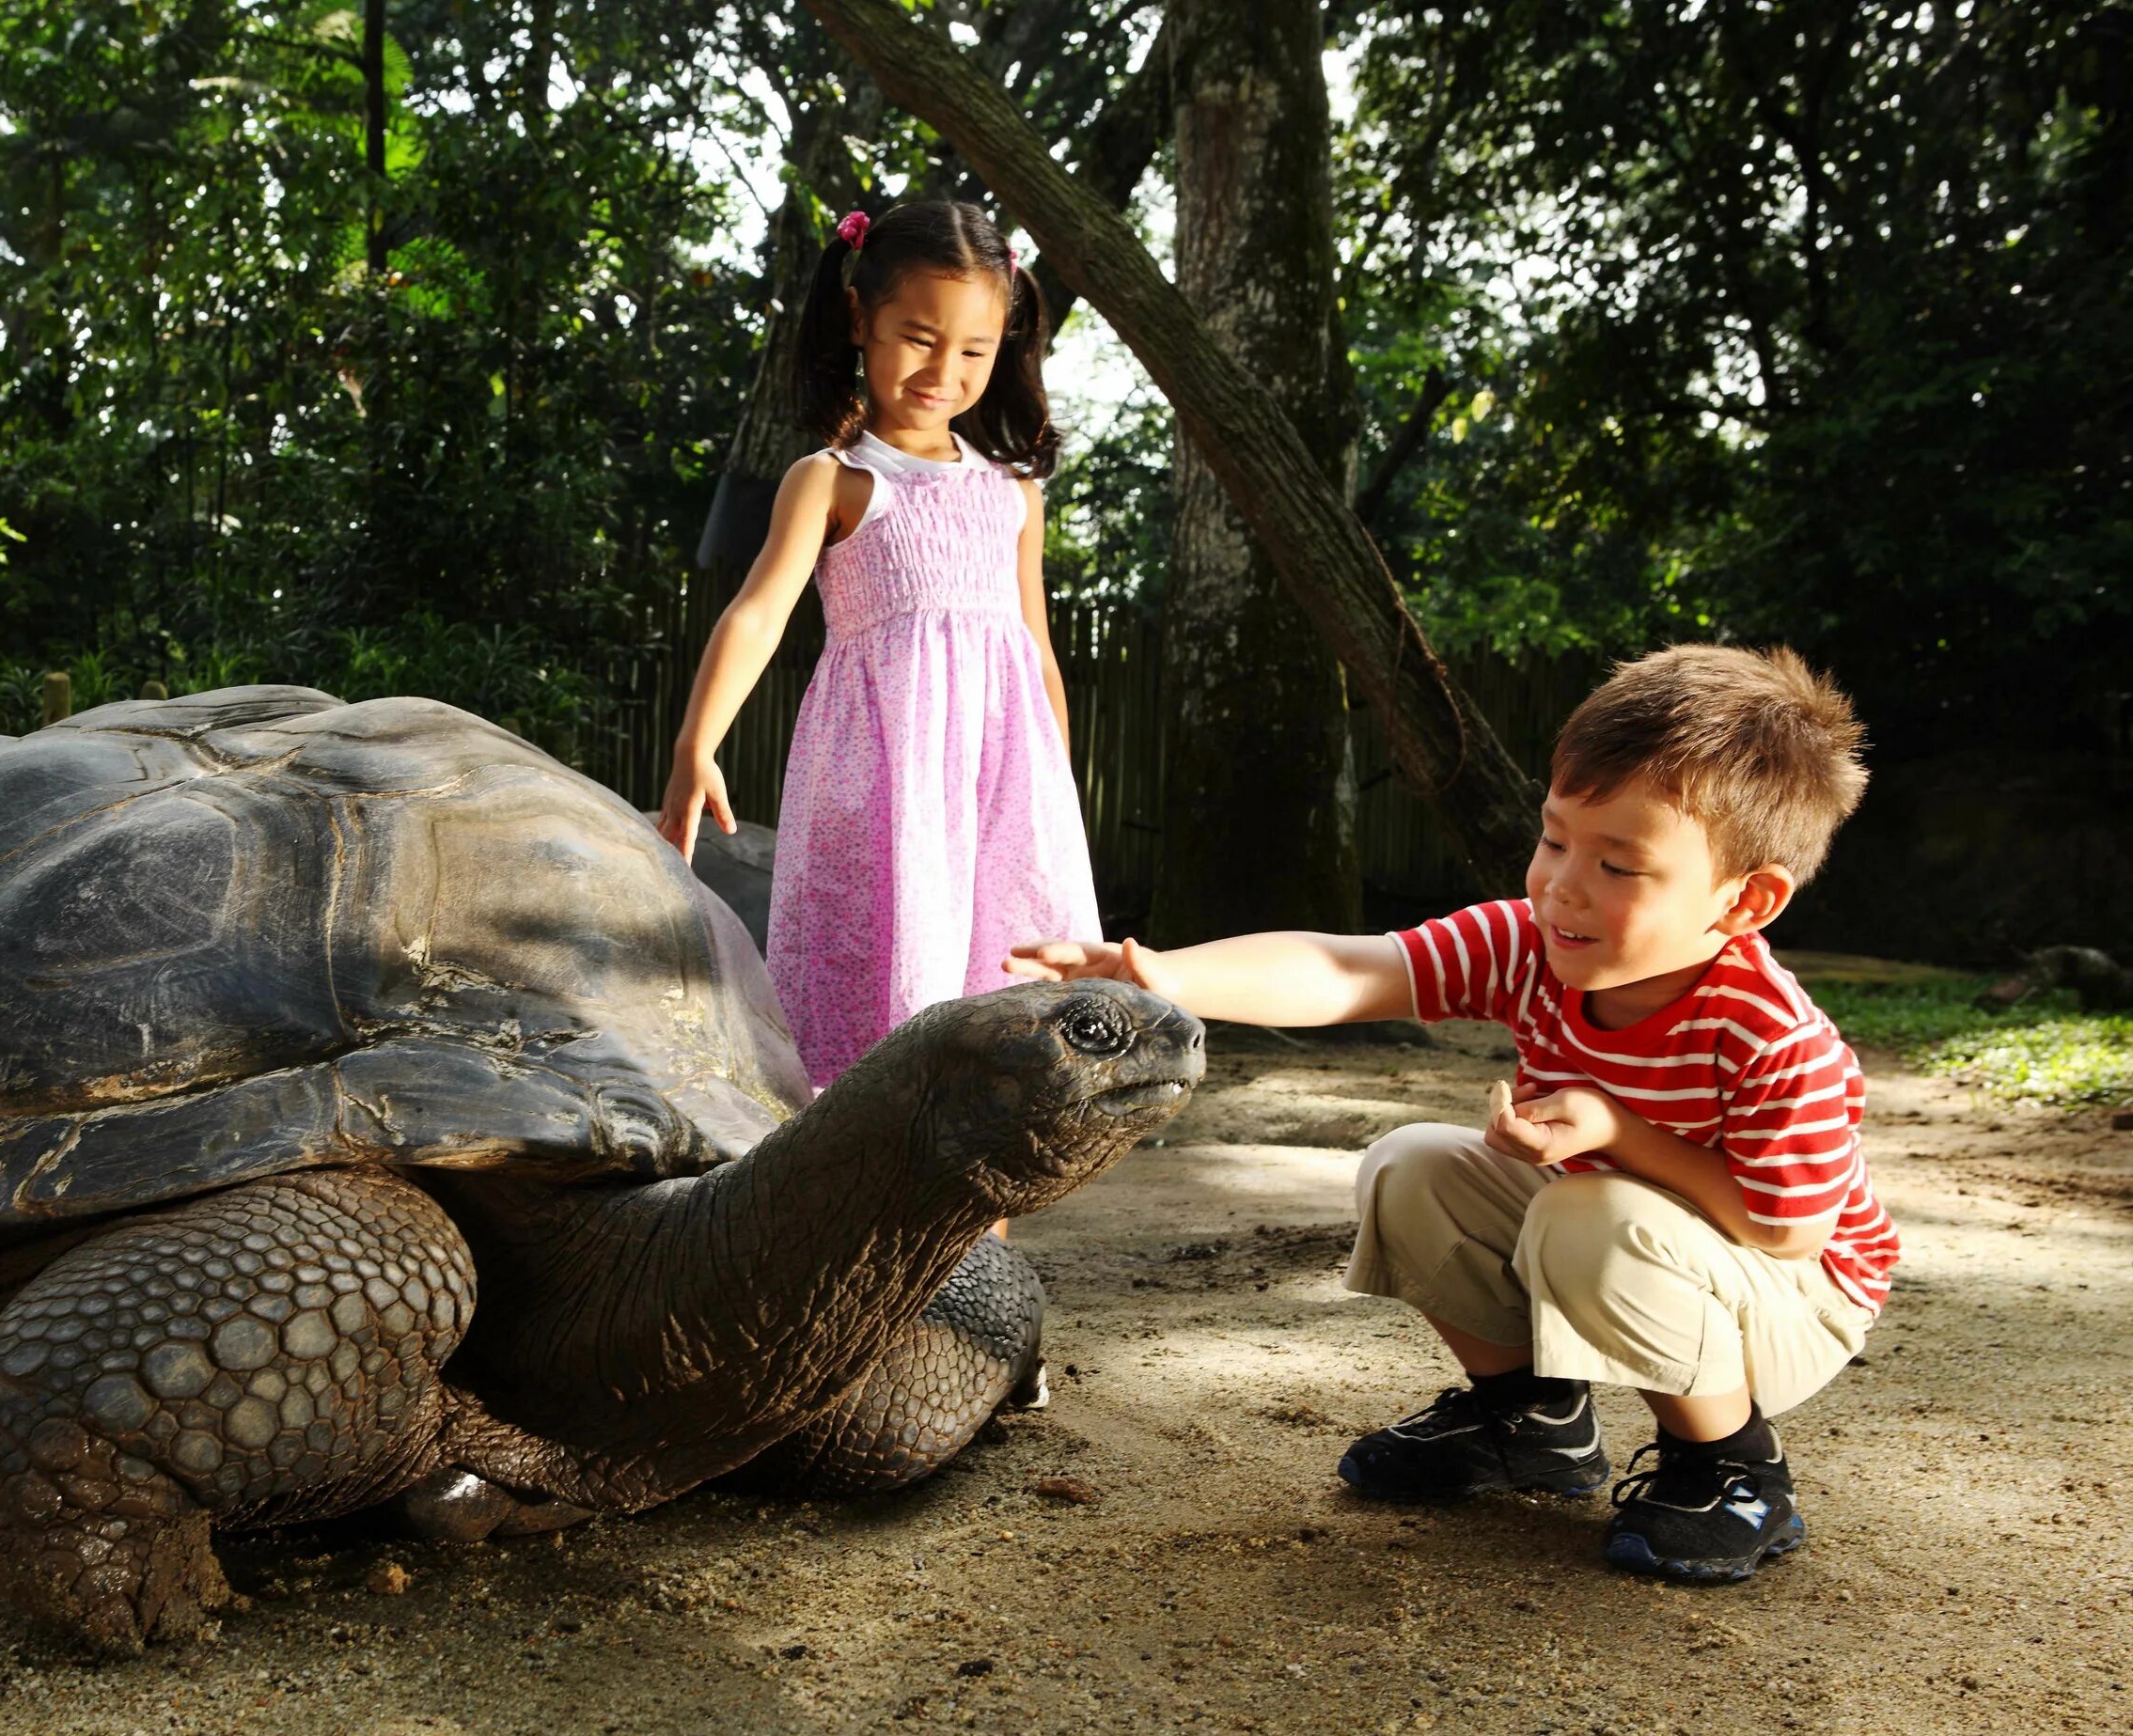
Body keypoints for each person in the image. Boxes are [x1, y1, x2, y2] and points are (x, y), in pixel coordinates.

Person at [1009, 646, 1892, 1584]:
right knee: (1412, 1165)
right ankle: (1530, 1417)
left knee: (1582, 1215)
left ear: (1744, 898)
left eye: (1619, 865)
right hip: (1629, 1238)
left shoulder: (1765, 1028)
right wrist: (1169, 975)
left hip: (1794, 1299)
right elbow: (1357, 969)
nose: (1562, 883)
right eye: (1555, 838)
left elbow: (1784, 1227)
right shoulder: (1532, 945)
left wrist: (1618, 1130)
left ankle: (1730, 1466)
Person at [658, 200, 1099, 1093]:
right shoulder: (835, 480)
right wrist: (694, 746)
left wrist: (1057, 798)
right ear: (861, 319)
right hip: (883, 791)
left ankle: (987, 1228)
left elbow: (1036, 652)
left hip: (999, 796)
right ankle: (864, 1216)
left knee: (1004, 1017)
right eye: (919, 337)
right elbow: (758, 613)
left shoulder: (1014, 494)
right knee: (881, 1006)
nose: (944, 370)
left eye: (975, 351)